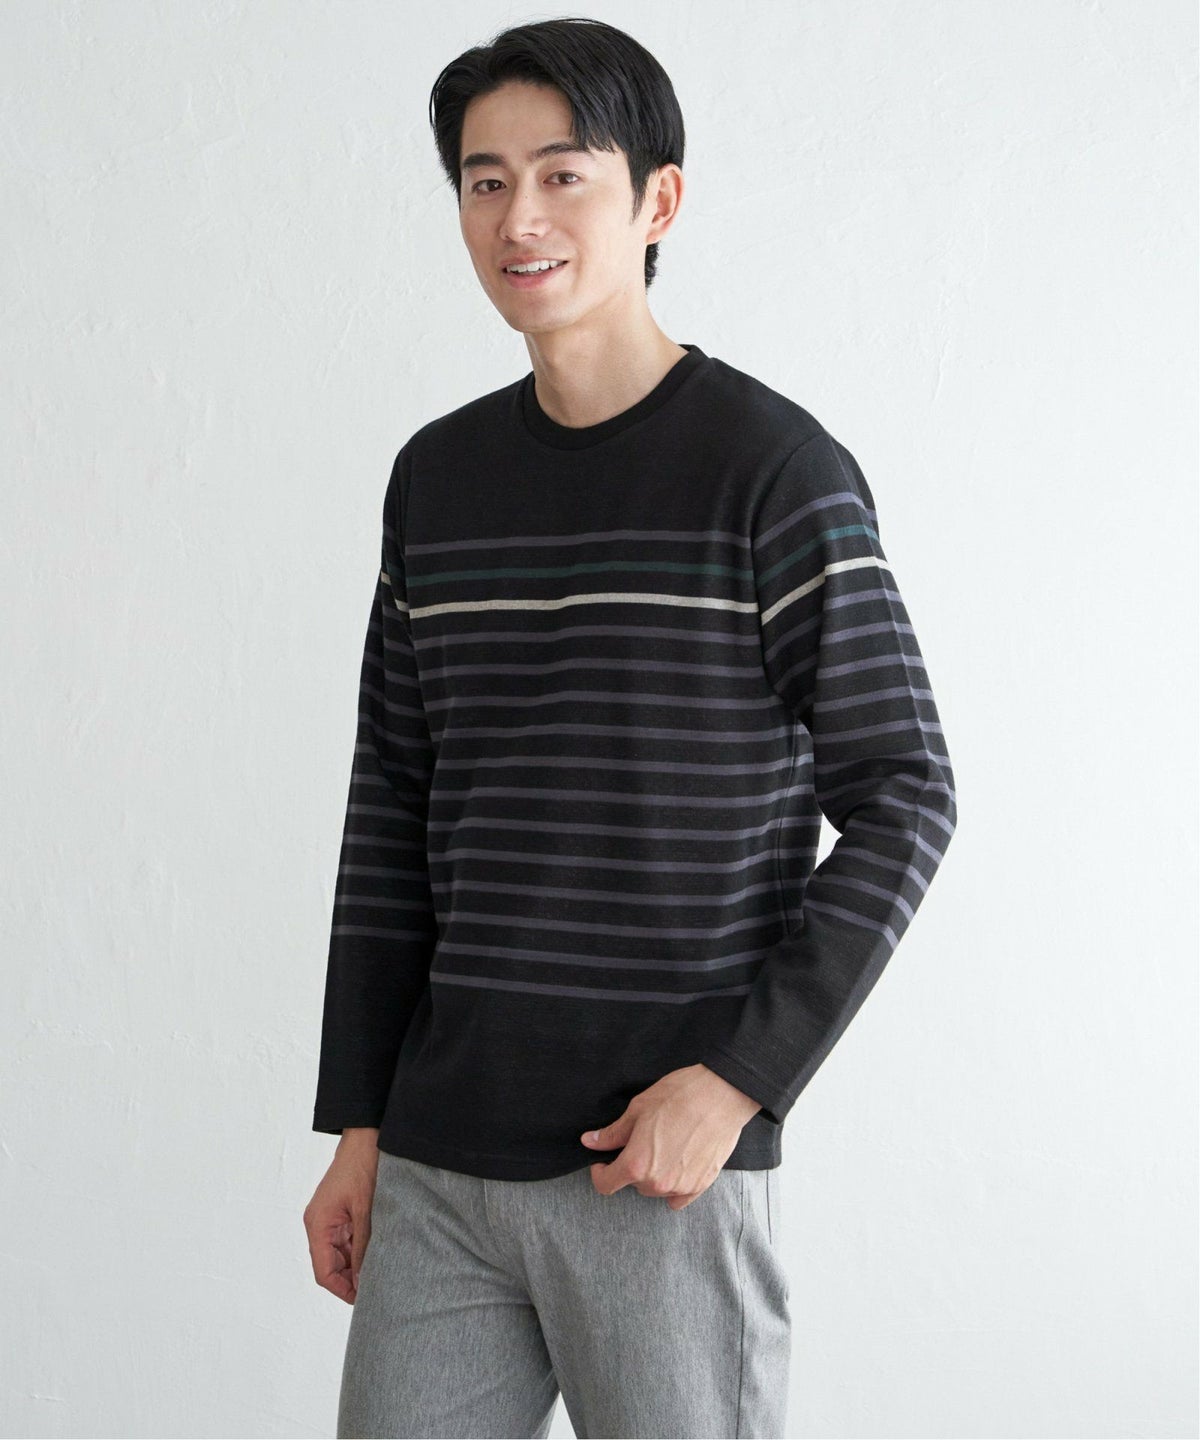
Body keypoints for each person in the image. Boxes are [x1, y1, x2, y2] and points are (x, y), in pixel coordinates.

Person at [302, 17, 958, 1439]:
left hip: (656, 1169)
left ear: (658, 200)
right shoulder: (438, 480)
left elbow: (906, 790)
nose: (517, 219)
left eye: (561, 176)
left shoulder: (772, 471)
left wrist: (739, 1083)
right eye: (483, 182)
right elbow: (394, 803)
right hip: (440, 1166)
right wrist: (361, 1123)